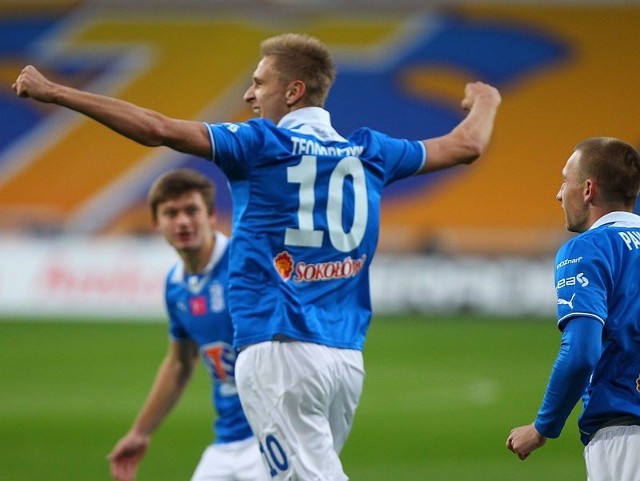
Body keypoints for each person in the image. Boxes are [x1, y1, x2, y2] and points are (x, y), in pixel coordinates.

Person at [13, 32, 501, 480]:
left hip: (277, 349)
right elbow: (466, 144)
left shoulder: (260, 144)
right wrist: (486, 100)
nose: (249, 95)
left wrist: (57, 93)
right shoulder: (371, 152)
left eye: (258, 83)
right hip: (345, 360)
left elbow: (156, 127)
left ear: (292, 92)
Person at [107, 169, 269, 481]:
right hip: (227, 440)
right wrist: (140, 432)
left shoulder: (246, 262)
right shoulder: (176, 285)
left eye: (191, 210)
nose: (182, 221)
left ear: (211, 215)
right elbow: (181, 363)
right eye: (171, 213)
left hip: (272, 434)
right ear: (156, 223)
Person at [506, 137, 640, 481]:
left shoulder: (588, 249)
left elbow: (580, 352)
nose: (559, 193)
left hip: (624, 432)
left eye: (566, 180)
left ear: (588, 189)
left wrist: (541, 429)